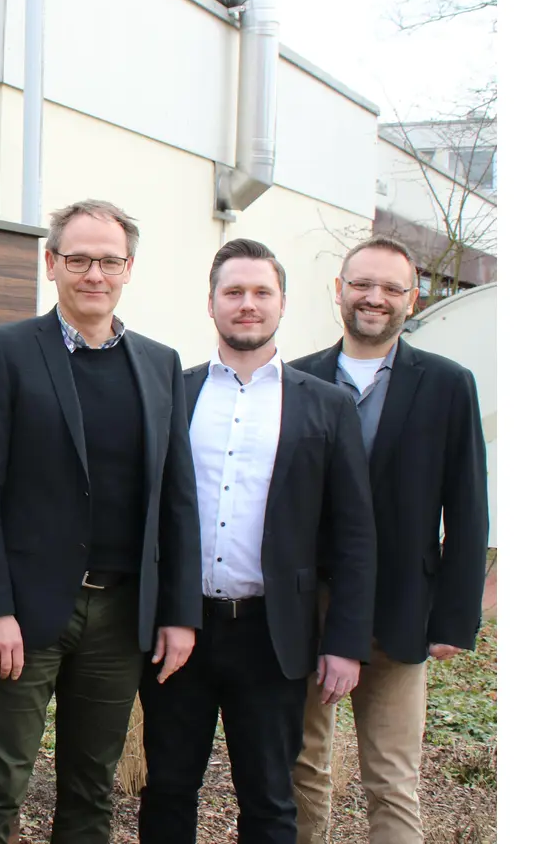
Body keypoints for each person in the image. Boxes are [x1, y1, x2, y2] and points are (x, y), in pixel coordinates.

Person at [0, 199, 202, 844]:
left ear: (129, 268)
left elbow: (177, 499)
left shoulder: (158, 364)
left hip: (119, 617)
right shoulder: (4, 351)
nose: (95, 273)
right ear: (51, 262)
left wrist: (178, 612)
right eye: (80, 259)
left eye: (109, 260)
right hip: (25, 615)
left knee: (91, 791)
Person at [138, 238, 377, 844]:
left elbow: (354, 534)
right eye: (234, 292)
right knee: (168, 789)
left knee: (270, 800)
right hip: (179, 628)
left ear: (283, 303)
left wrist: (345, 642)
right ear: (211, 304)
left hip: (274, 635)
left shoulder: (327, 406)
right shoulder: (174, 394)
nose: (248, 304)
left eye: (261, 292)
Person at [288, 236, 490, 844]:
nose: (374, 298)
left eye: (391, 288)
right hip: (308, 606)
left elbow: (468, 503)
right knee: (301, 766)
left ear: (412, 297)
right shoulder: (295, 378)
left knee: (392, 776)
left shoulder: (449, 384)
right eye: (361, 284)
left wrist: (456, 618)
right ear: (339, 290)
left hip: (402, 606)